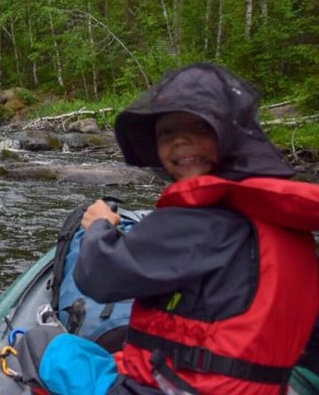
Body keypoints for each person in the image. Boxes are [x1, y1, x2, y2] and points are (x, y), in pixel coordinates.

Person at [71, 63, 319, 394]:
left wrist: (99, 225)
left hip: (173, 387)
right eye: (167, 132)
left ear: (231, 135)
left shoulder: (197, 223)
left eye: (201, 128)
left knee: (49, 352)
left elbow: (97, 276)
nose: (181, 142)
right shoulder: (284, 220)